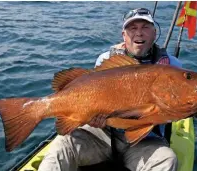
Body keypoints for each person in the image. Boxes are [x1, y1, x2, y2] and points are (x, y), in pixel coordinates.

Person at [38, 8, 182, 171]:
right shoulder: (106, 59)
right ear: (124, 35)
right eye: (132, 28)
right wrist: (91, 118)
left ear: (155, 33)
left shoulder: (172, 66)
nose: (139, 33)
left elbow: (182, 103)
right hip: (102, 136)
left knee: (167, 160)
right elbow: (91, 99)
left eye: (145, 27)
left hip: (146, 142)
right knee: (62, 145)